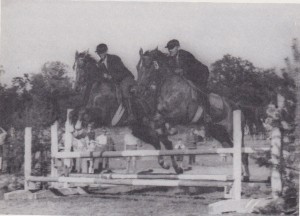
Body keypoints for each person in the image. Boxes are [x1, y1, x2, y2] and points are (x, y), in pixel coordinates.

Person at [165, 39, 211, 122]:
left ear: (178, 47)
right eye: (168, 48)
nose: (170, 50)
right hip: (188, 75)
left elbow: (191, 67)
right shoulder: (171, 57)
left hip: (200, 74)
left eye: (172, 47)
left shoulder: (185, 54)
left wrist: (182, 70)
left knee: (199, 90)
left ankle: (208, 113)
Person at [95, 43, 136, 122]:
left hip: (125, 78)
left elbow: (121, 71)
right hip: (114, 81)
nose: (100, 54)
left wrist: (110, 76)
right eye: (99, 53)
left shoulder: (114, 58)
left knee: (124, 91)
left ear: (106, 51)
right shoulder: (99, 63)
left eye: (102, 52)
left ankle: (131, 114)